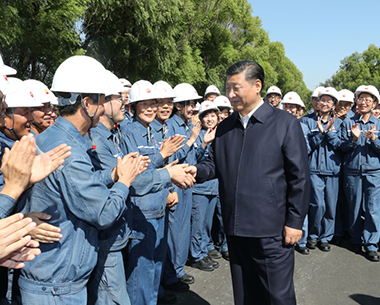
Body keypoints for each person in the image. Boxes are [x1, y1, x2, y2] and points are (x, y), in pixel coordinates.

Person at [18, 55, 145, 304]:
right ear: (87, 103)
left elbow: (73, 186)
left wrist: (110, 176)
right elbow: (103, 214)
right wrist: (124, 182)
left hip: (51, 276)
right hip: (56, 286)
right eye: (102, 101)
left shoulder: (53, 137)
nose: (104, 108)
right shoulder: (70, 151)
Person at [186, 60, 310, 305]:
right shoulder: (225, 128)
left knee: (278, 296)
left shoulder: (284, 124)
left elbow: (299, 178)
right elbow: (215, 164)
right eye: (228, 88)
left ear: (257, 86)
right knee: (244, 294)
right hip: (235, 227)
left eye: (236, 88)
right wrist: (195, 171)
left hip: (271, 231)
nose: (230, 95)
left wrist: (295, 222)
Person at [340, 85, 380, 262]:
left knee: (373, 208)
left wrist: (374, 140)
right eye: (360, 99)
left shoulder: (378, 124)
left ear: (375, 103)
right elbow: (341, 147)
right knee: (354, 207)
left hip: (373, 172)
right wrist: (354, 139)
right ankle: (356, 239)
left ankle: (371, 245)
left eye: (368, 100)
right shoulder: (348, 123)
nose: (363, 102)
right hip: (353, 171)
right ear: (356, 101)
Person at [303, 87, 343, 252]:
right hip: (313, 170)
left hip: (333, 170)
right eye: (322, 100)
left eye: (329, 100)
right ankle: (313, 235)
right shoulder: (306, 121)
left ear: (334, 104)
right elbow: (304, 148)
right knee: (317, 205)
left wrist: (330, 133)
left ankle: (326, 238)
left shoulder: (340, 123)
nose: (325, 103)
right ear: (317, 102)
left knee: (330, 206)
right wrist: (319, 134)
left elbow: (342, 146)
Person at [189, 101, 220, 271]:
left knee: (207, 224)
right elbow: (195, 159)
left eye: (212, 115)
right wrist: (204, 143)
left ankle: (203, 250)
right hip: (200, 188)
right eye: (206, 115)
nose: (210, 118)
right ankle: (196, 255)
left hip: (213, 187)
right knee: (198, 224)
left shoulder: (221, 133)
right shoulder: (198, 134)